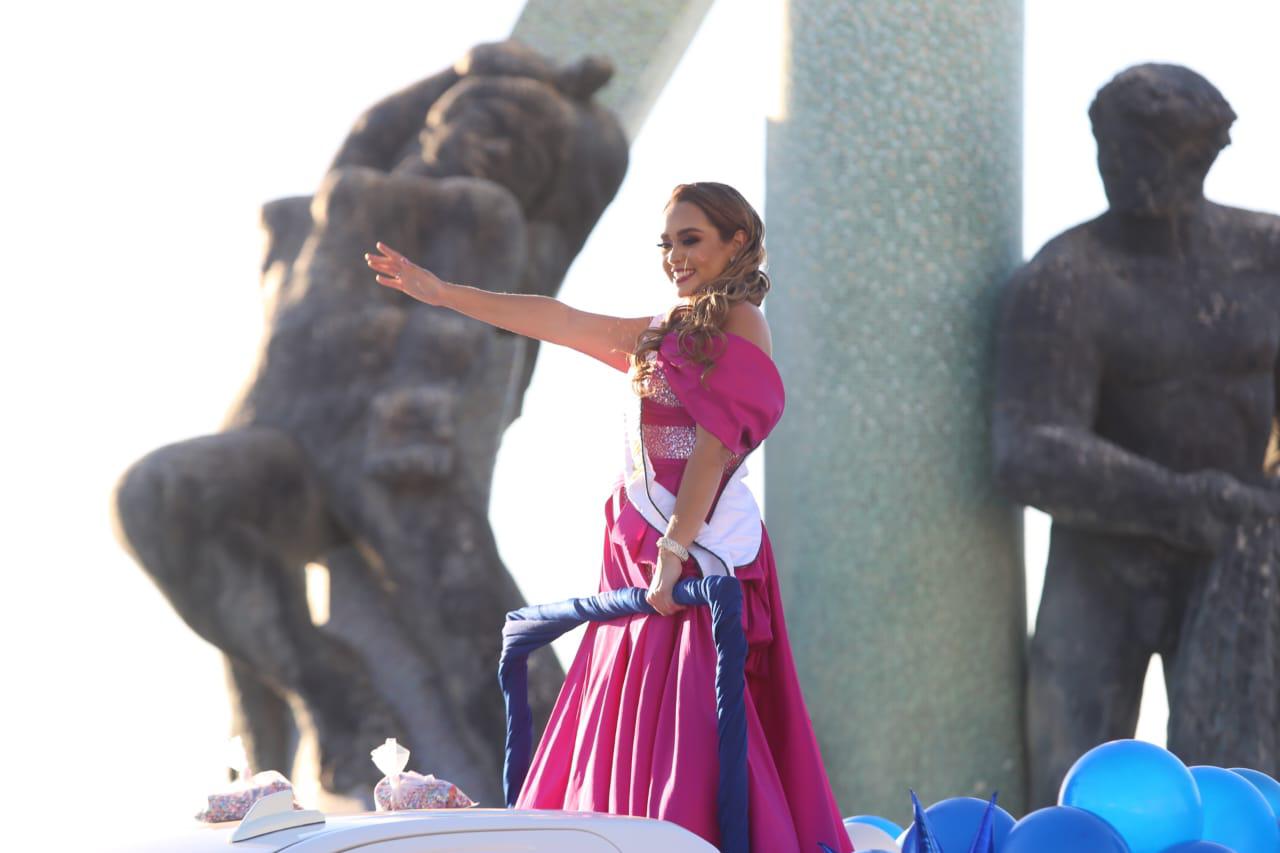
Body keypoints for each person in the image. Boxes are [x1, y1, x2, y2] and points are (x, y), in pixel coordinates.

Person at [365, 181, 852, 852]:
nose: (675, 256)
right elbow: (559, 319)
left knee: (691, 724)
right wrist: (446, 293)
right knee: (623, 718)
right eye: (667, 244)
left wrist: (676, 550)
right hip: (639, 548)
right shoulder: (659, 333)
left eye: (691, 240)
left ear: (737, 242)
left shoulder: (741, 321)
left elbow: (715, 445)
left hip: (696, 551)